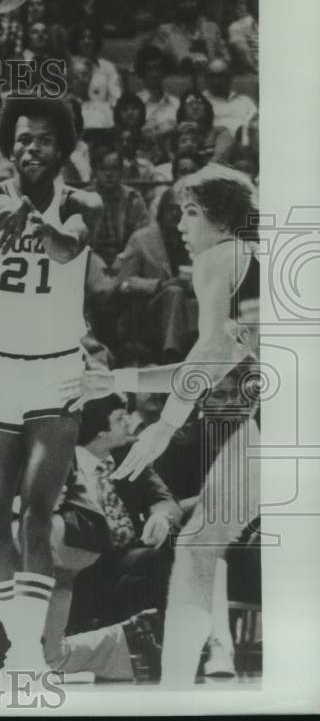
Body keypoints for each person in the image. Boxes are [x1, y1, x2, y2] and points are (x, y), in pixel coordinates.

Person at [70, 164, 260, 686]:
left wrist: (163, 424)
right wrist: (117, 377)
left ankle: (176, 686)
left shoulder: (222, 256)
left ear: (220, 219)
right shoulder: (254, 260)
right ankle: (187, 676)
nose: (179, 226)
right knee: (201, 543)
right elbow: (208, 361)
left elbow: (211, 352)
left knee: (200, 547)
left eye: (191, 213)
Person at [0, 96, 103, 676]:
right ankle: (20, 649)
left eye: (43, 140)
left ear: (63, 147)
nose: (31, 149)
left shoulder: (83, 202)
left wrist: (34, 220)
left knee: (38, 512)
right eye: (22, 139)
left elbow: (67, 244)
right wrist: (7, 210)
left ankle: (28, 656)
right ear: (8, 145)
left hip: (55, 369)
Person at [43, 393, 181, 681]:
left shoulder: (130, 456)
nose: (129, 422)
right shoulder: (62, 461)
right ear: (100, 429)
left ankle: (167, 646)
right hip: (75, 562)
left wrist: (160, 516)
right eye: (120, 418)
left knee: (160, 555)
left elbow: (164, 499)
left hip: (121, 556)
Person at [115, 188, 198, 363]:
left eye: (182, 209)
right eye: (171, 208)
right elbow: (124, 282)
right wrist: (160, 285)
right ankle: (172, 356)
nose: (176, 214)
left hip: (190, 310)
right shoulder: (142, 239)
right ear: (161, 211)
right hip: (149, 314)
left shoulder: (196, 239)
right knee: (174, 292)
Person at [88, 147, 151, 268]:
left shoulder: (134, 199)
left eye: (114, 168)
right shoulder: (82, 199)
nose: (109, 174)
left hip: (128, 262)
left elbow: (143, 236)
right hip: (91, 264)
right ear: (95, 171)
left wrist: (124, 259)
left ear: (121, 171)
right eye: (103, 169)